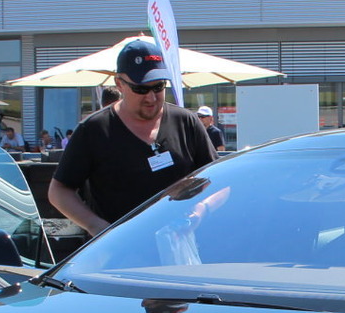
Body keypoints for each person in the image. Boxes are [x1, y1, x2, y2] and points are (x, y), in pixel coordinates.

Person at [49, 37, 218, 237]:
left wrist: (200, 211)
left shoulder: (186, 122)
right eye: (141, 89)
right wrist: (97, 226)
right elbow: (59, 191)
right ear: (119, 84)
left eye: (158, 87)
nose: (151, 97)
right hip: (119, 251)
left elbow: (217, 181)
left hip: (181, 244)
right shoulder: (94, 129)